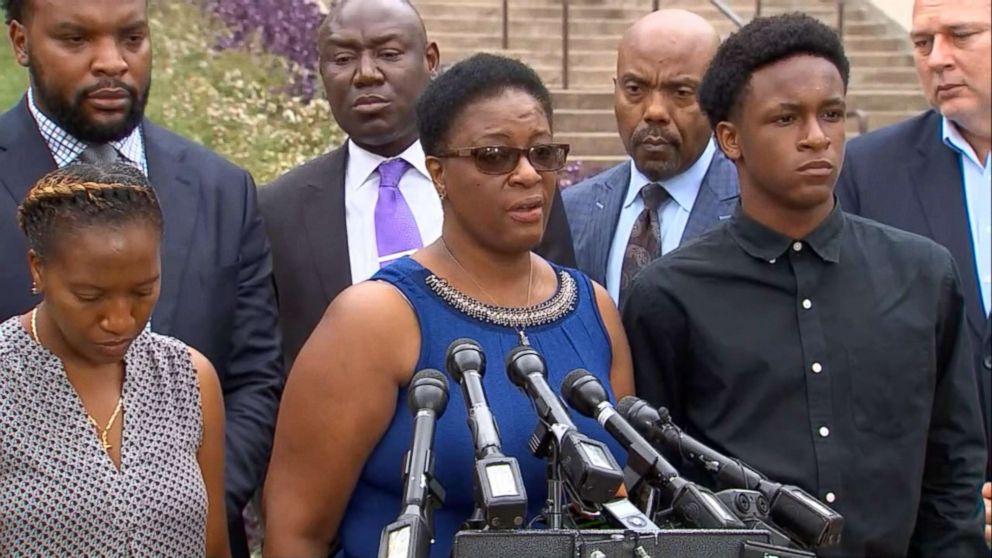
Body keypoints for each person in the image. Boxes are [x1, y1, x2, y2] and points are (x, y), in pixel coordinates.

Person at [622, 13, 987, 557]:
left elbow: (952, 471)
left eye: (832, 114)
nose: (817, 138)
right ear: (730, 138)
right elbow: (662, 483)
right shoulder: (669, 296)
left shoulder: (924, 275)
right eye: (786, 118)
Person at [262, 53, 633, 558]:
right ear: (438, 172)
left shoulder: (593, 307)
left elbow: (618, 502)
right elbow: (296, 533)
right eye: (494, 156)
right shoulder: (375, 319)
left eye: (543, 153)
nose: (527, 174)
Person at [0, 1, 283, 553]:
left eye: (131, 37)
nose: (111, 62)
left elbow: (255, 378)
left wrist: (180, 502)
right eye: (76, 40)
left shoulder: (222, 187)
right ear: (20, 41)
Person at [260, 0, 577, 371]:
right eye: (343, 59)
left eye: (388, 53)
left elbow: (560, 319)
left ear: (430, 60)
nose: (365, 74)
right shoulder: (277, 210)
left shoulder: (511, 184)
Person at [0, 163, 228, 556]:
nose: (120, 321)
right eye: (90, 296)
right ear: (38, 268)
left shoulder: (187, 378)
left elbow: (213, 547)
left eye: (143, 291)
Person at [835, 0, 992, 520]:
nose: (937, 59)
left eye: (961, 35)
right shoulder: (867, 169)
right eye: (923, 43)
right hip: (930, 514)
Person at [562, 9, 738, 303]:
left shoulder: (753, 208)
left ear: (717, 100)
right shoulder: (572, 210)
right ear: (615, 91)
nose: (654, 111)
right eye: (634, 89)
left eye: (681, 92)